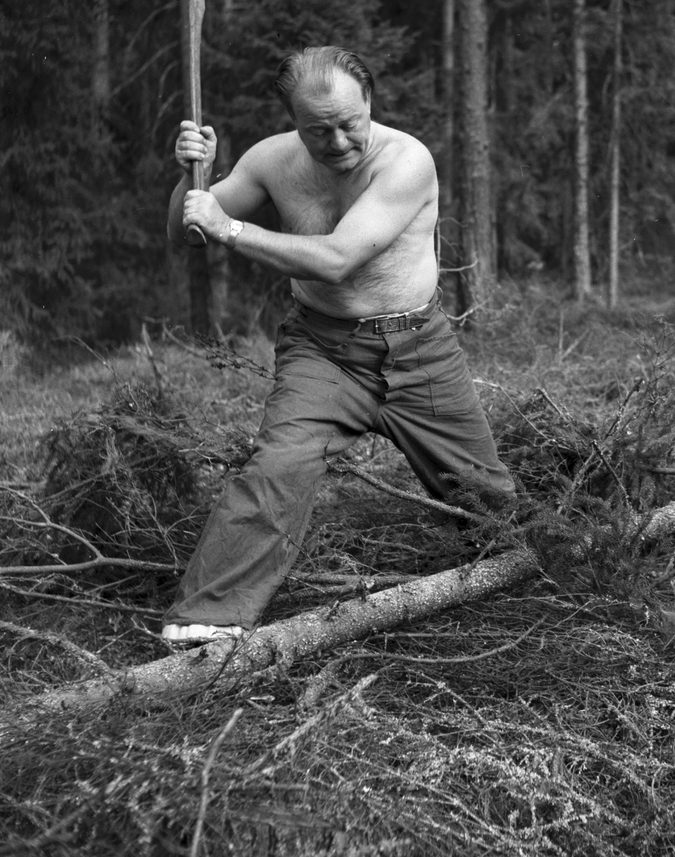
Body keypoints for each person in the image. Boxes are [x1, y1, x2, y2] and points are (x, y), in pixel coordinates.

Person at [161, 45, 515, 645]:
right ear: (294, 122)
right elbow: (187, 232)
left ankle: (526, 569)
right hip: (323, 351)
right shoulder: (272, 159)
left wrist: (232, 229)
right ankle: (208, 621)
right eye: (318, 130)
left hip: (418, 350)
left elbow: (340, 259)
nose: (340, 142)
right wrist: (189, 179)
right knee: (280, 463)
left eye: (350, 124)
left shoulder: (407, 161)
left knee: (490, 500)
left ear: (370, 102)